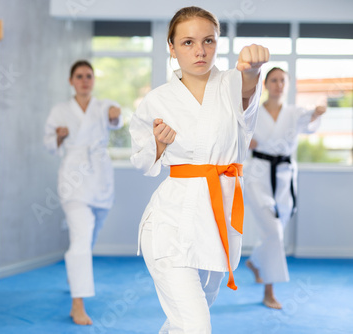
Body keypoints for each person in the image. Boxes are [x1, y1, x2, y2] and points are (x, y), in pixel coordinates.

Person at [129, 6, 269, 333]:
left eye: (208, 40)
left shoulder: (233, 83)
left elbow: (247, 90)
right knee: (195, 326)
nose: (200, 51)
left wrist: (252, 69)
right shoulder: (157, 100)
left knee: (184, 322)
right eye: (188, 42)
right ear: (172, 47)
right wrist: (159, 146)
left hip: (216, 228)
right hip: (169, 226)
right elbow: (141, 159)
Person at [43, 60, 123, 325]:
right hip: (73, 180)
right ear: (71, 81)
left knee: (89, 236)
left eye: (89, 76)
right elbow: (49, 144)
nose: (85, 80)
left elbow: (116, 117)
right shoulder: (60, 110)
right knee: (81, 239)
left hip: (100, 178)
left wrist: (115, 114)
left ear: (94, 80)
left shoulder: (102, 106)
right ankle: (78, 303)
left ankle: (75, 271)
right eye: (79, 76)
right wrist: (59, 137)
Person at [244, 67, 326, 309]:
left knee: (275, 230)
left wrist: (317, 113)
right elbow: (235, 134)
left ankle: (255, 261)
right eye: (274, 80)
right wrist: (245, 140)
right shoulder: (252, 112)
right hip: (257, 175)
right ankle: (270, 291)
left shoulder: (295, 112)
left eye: (283, 80)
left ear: (287, 85)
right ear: (265, 84)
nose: (279, 84)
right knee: (274, 233)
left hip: (285, 176)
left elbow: (310, 123)